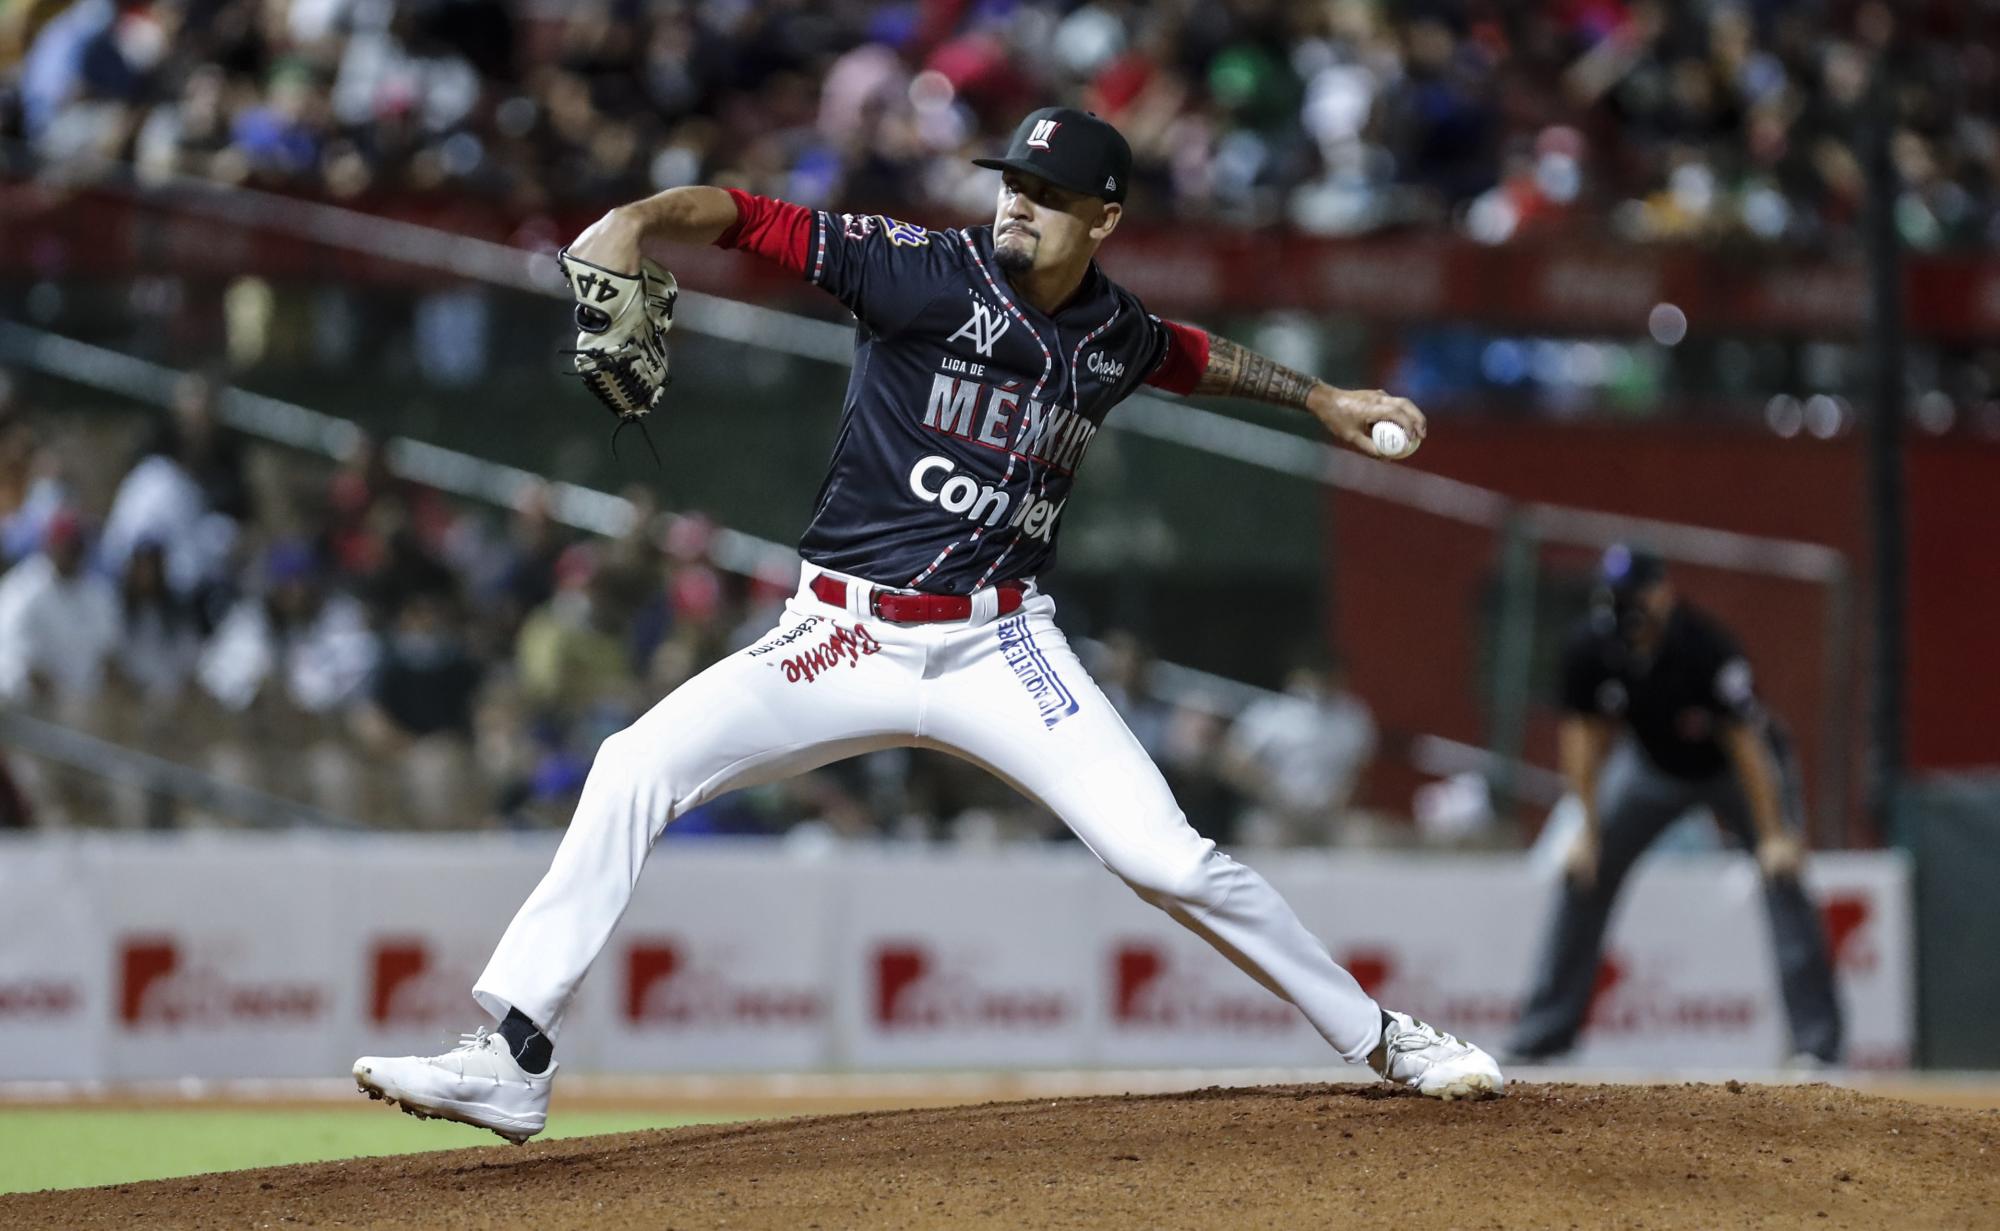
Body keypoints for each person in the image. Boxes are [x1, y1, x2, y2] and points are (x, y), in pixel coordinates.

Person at [354, 106, 1503, 1144]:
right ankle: (510, 1057)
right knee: (630, 765)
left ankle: (1384, 1039)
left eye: (1047, 196)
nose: (1017, 202)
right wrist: (631, 219)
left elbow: (1188, 356)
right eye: (1011, 181)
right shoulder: (917, 271)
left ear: (1102, 219)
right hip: (838, 637)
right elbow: (744, 217)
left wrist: (1318, 399)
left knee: (1167, 858)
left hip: (1001, 645)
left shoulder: (1110, 332)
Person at [1507, 545, 1842, 1065]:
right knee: (1583, 873)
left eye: (1636, 600)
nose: (1628, 616)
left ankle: (1817, 1045)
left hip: (1732, 772)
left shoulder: (1706, 646)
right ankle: (1542, 1036)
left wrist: (1775, 832)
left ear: (1662, 594)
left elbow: (1747, 745)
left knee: (1784, 876)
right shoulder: (1593, 644)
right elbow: (1583, 737)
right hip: (1652, 769)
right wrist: (1587, 828)